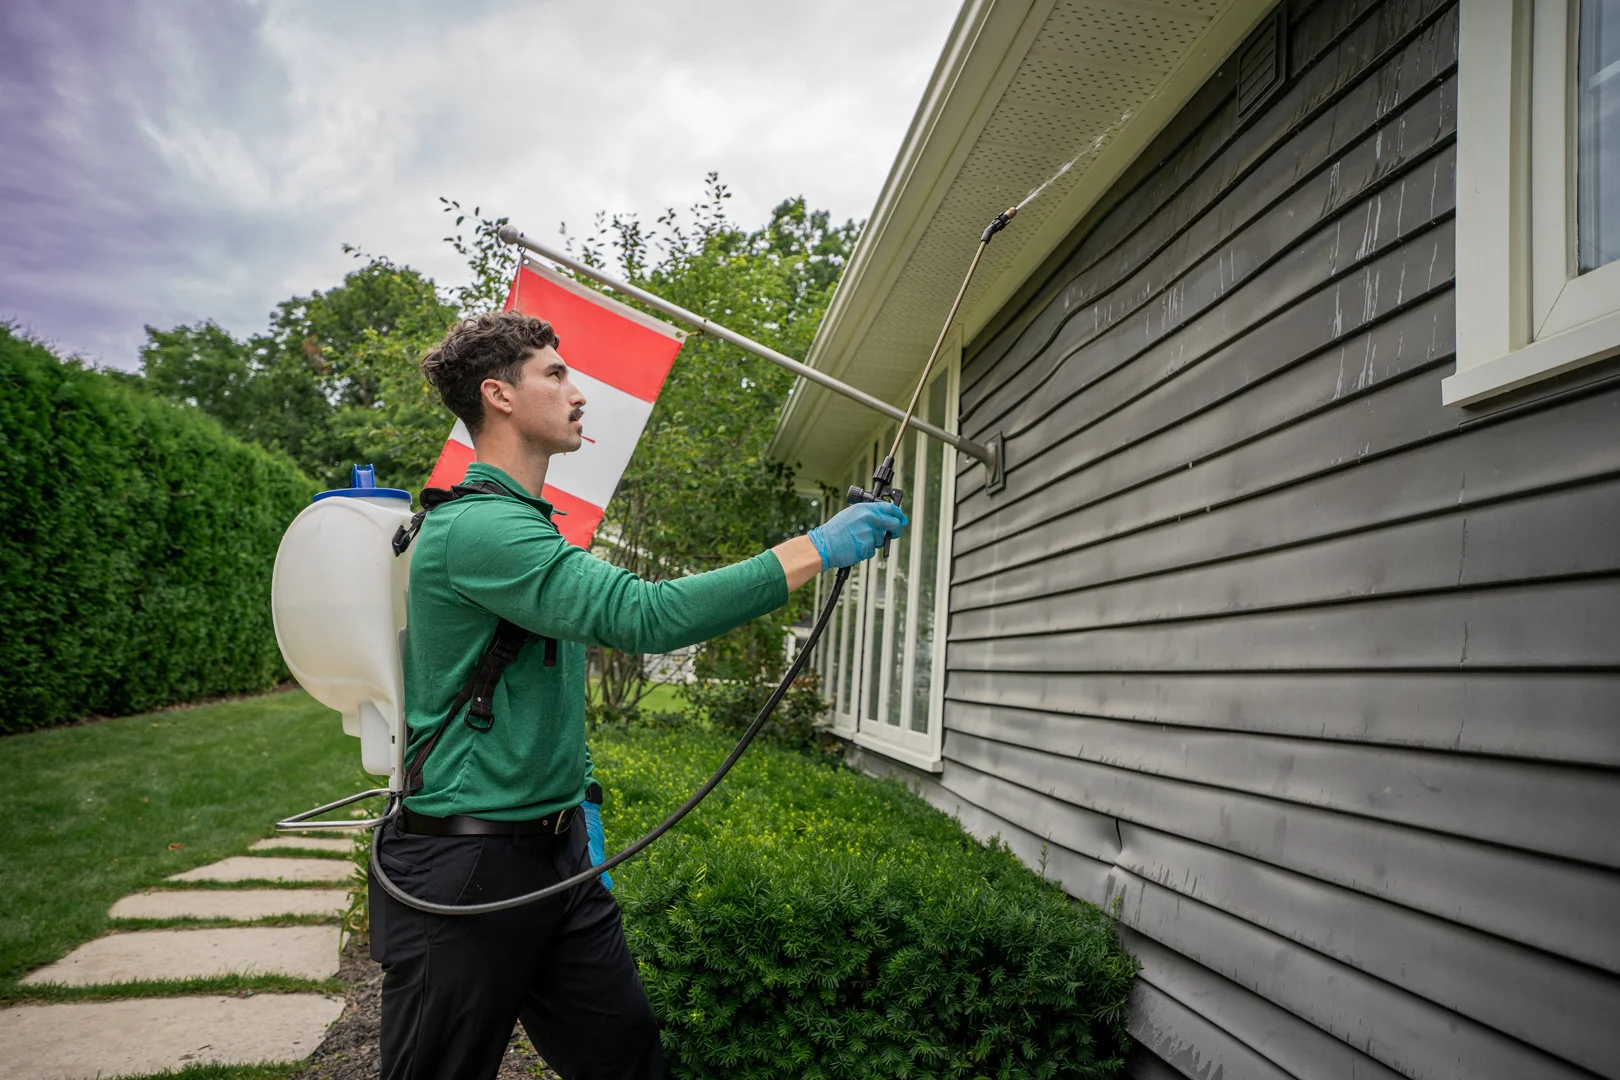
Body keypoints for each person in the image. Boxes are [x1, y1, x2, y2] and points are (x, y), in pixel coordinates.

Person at [370, 309, 906, 1080]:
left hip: (557, 858)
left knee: (627, 1065)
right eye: (554, 374)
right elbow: (646, 616)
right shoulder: (481, 530)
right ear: (499, 396)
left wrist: (573, 798)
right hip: (468, 870)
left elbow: (531, 687)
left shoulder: (526, 526)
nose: (577, 391)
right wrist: (816, 547)